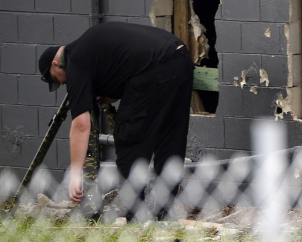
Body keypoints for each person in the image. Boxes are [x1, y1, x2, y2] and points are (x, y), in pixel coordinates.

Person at [39, 21, 193, 217]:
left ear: (55, 64)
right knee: (171, 136)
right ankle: (165, 211)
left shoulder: (75, 62)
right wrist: (111, 95)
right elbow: (128, 65)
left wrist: (75, 174)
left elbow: (80, 126)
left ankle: (134, 213)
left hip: (157, 68)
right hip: (181, 58)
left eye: (55, 78)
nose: (61, 82)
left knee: (129, 135)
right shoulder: (87, 46)